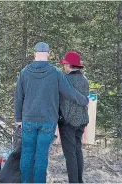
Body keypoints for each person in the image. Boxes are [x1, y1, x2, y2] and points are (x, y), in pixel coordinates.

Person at [14, 42, 89, 183]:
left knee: (27, 154)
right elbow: (70, 92)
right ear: (48, 53)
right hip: (48, 121)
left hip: (28, 119)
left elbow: (18, 96)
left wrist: (18, 118)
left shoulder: (24, 72)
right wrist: (84, 100)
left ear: (34, 53)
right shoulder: (56, 72)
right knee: (42, 156)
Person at [58, 51, 89, 183]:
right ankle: (79, 181)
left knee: (70, 154)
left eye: (65, 64)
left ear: (69, 65)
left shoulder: (65, 80)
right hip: (81, 121)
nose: (64, 66)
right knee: (77, 151)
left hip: (68, 122)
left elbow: (60, 100)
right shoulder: (84, 79)